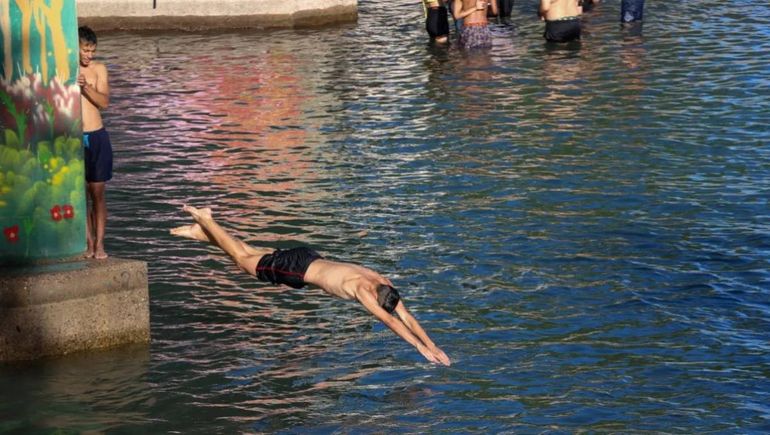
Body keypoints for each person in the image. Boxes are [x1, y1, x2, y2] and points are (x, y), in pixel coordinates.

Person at [171, 205, 452, 366]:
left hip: (307, 256)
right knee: (243, 261)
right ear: (378, 299)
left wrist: (433, 344)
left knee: (252, 252)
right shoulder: (364, 293)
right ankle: (206, 219)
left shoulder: (382, 282)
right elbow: (394, 323)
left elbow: (407, 317)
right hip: (298, 271)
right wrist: (419, 348)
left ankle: (205, 233)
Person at [78, 26, 112, 259]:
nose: (89, 55)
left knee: (97, 193)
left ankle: (99, 245)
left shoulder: (99, 69)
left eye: (92, 50)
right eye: (85, 50)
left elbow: (104, 102)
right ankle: (87, 243)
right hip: (73, 138)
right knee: (80, 194)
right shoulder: (66, 69)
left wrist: (86, 87)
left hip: (97, 135)